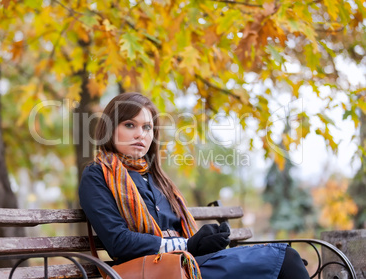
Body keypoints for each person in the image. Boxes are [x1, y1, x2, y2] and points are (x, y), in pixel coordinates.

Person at [79, 92, 310, 279]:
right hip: (150, 271)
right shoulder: (97, 175)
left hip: (185, 264)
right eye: (130, 125)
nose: (141, 134)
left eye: (147, 127)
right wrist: (188, 243)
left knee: (285, 260)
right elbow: (118, 242)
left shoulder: (158, 177)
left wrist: (205, 242)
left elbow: (185, 238)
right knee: (285, 259)